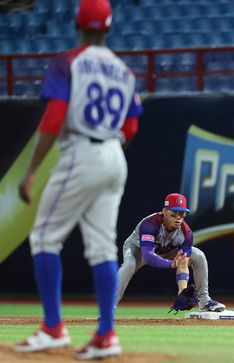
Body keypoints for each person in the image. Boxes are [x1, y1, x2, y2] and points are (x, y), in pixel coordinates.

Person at [15, 0, 142, 359]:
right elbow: (131, 126)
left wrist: (30, 171)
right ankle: (106, 335)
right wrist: (108, 155)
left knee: (43, 237)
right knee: (103, 248)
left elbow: (54, 120)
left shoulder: (67, 62)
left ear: (78, 24)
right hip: (115, 155)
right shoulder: (124, 71)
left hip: (82, 150)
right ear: (109, 26)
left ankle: (53, 328)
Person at [116, 193, 226, 313]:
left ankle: (204, 301)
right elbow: (147, 256)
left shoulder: (186, 232)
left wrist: (182, 291)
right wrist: (171, 264)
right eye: (174, 212)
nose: (178, 217)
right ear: (164, 211)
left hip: (167, 251)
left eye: (182, 213)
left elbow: (183, 262)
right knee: (129, 265)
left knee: (198, 256)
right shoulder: (150, 224)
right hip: (139, 249)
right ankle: (109, 306)